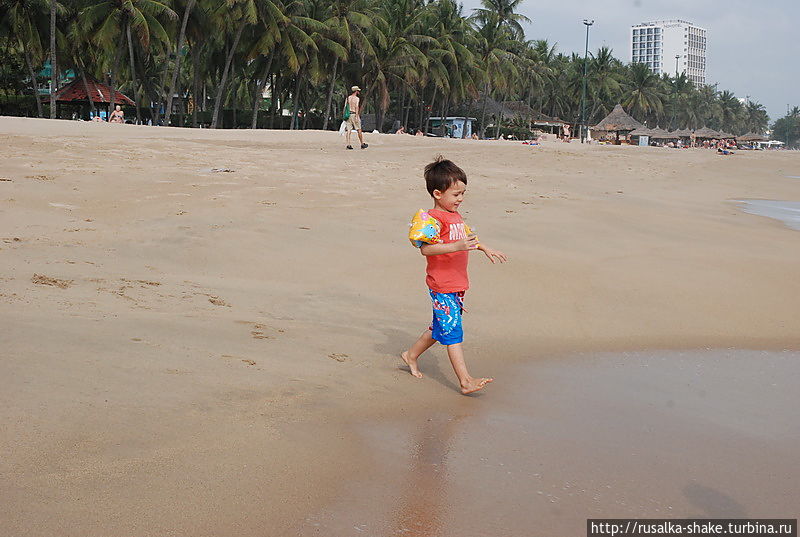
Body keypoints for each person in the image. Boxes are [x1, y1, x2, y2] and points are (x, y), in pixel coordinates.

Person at [402, 157, 507, 395]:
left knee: (440, 327)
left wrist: (485, 248)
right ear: (438, 193)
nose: (460, 199)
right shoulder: (433, 219)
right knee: (453, 332)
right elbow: (425, 249)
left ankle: (410, 355)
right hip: (442, 284)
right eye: (456, 194)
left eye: (463, 194)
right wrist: (456, 246)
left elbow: (468, 239)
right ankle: (465, 380)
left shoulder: (455, 216)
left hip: (456, 284)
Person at [344, 86, 367, 150]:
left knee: (349, 130)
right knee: (359, 129)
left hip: (348, 114)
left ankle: (348, 144)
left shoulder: (348, 98)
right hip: (354, 114)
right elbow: (357, 107)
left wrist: (344, 115)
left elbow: (345, 107)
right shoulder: (357, 99)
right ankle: (362, 143)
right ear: (356, 91)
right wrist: (357, 116)